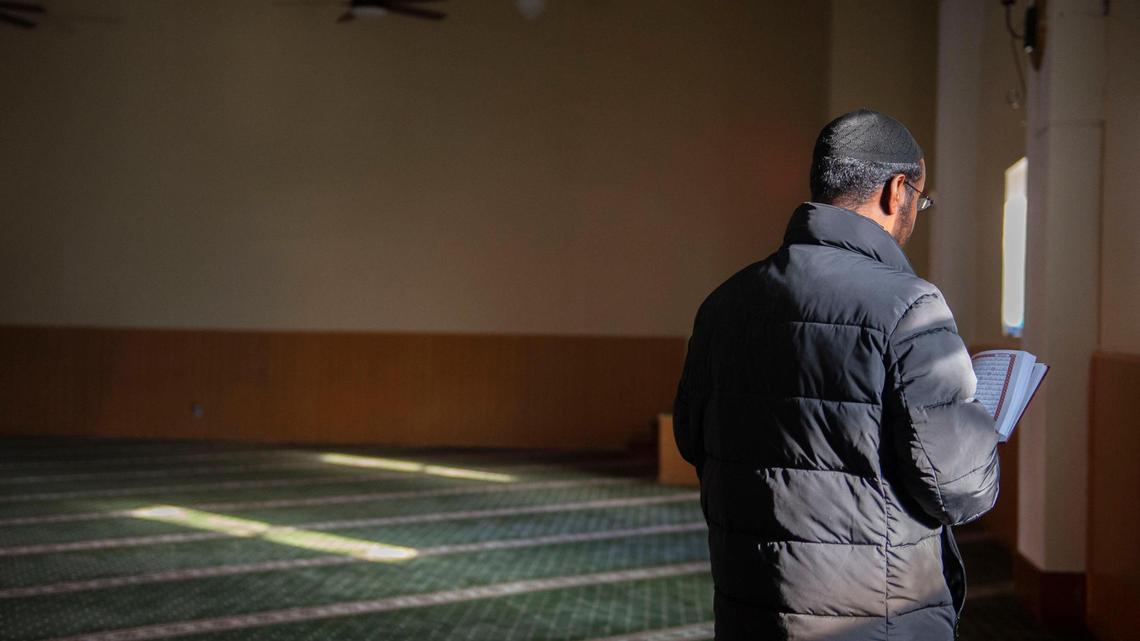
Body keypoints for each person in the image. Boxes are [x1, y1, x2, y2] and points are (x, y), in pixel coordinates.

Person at [673, 108, 1000, 641]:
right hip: (874, 620)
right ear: (899, 190)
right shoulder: (910, 308)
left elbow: (692, 440)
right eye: (921, 199)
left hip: (751, 612)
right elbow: (959, 491)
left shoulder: (722, 306)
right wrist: (980, 428)